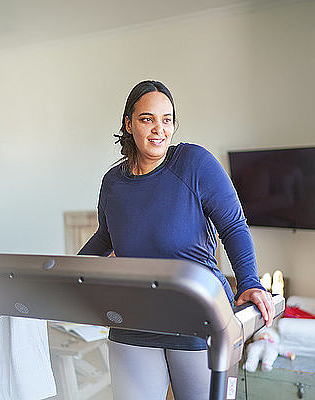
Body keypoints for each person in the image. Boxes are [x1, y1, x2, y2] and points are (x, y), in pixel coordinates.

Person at [78, 80, 274, 400]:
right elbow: (105, 237)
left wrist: (250, 281)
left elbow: (234, 226)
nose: (159, 129)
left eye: (167, 119)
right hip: (134, 318)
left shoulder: (193, 162)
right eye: (147, 119)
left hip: (197, 315)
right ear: (128, 124)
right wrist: (70, 273)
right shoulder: (113, 183)